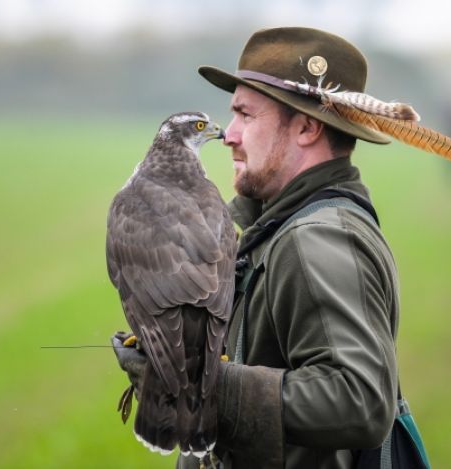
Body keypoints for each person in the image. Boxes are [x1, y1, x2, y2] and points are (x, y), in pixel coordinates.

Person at [114, 27, 404, 469]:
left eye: (245, 116)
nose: (228, 135)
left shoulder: (316, 238)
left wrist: (203, 384)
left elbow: (359, 400)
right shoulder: (280, 223)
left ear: (307, 127)